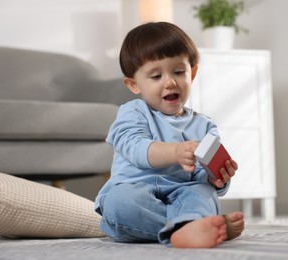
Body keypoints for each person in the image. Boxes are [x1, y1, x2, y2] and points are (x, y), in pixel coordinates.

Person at [95, 22, 244, 248]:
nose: (170, 82)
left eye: (178, 72)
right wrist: (175, 152)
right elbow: (134, 147)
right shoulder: (132, 112)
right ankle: (191, 226)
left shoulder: (204, 126)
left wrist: (216, 179)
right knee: (119, 203)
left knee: (203, 193)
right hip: (136, 191)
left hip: (182, 192)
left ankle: (191, 224)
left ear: (192, 73)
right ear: (134, 84)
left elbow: (203, 180)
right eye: (156, 76)